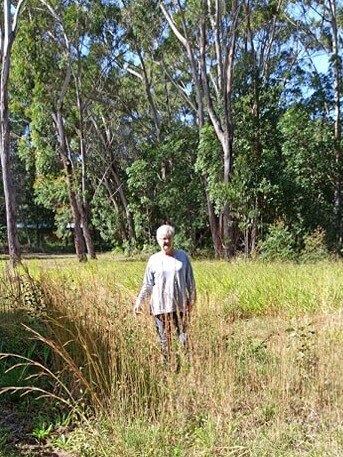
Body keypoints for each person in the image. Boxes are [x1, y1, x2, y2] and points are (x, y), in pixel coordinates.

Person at [133, 224, 196, 362]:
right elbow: (148, 284)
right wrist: (139, 301)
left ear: (172, 239)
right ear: (158, 240)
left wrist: (192, 300)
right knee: (164, 341)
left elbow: (190, 281)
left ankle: (188, 369)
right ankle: (168, 369)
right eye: (163, 239)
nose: (165, 241)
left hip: (180, 306)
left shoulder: (183, 257)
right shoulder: (153, 260)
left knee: (183, 339)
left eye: (168, 238)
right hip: (160, 308)